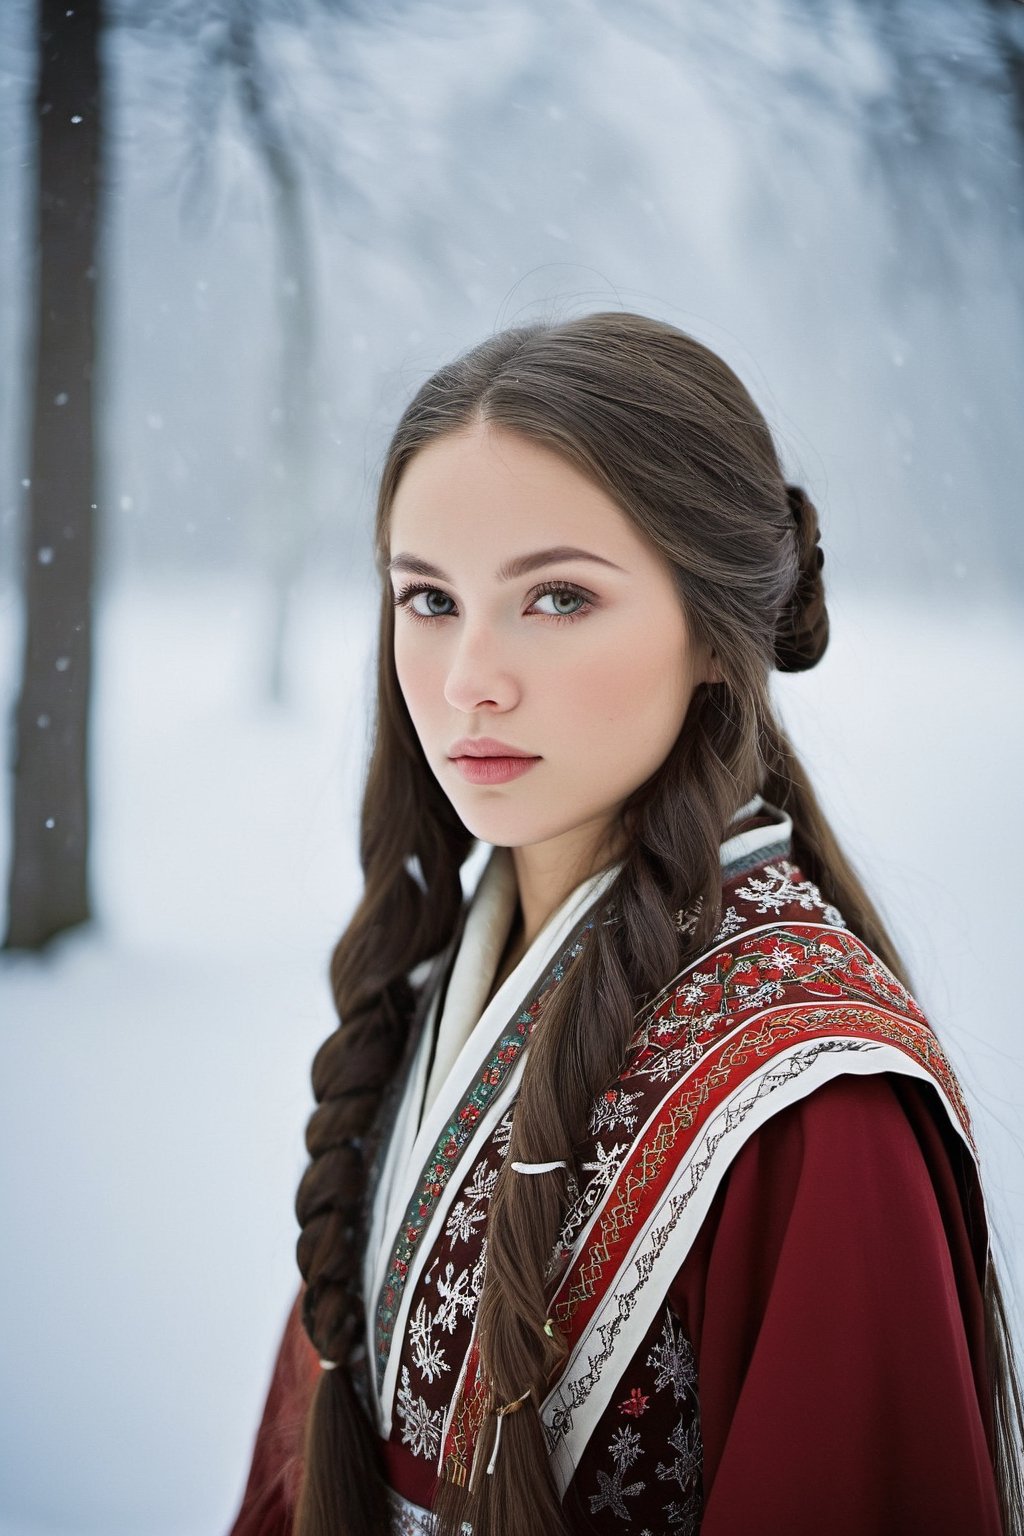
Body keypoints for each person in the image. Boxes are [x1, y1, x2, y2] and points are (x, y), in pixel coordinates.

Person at [228, 312, 1024, 1536]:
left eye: (555, 597)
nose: (467, 678)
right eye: (429, 599)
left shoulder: (814, 1105)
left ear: (715, 631)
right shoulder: (435, 998)